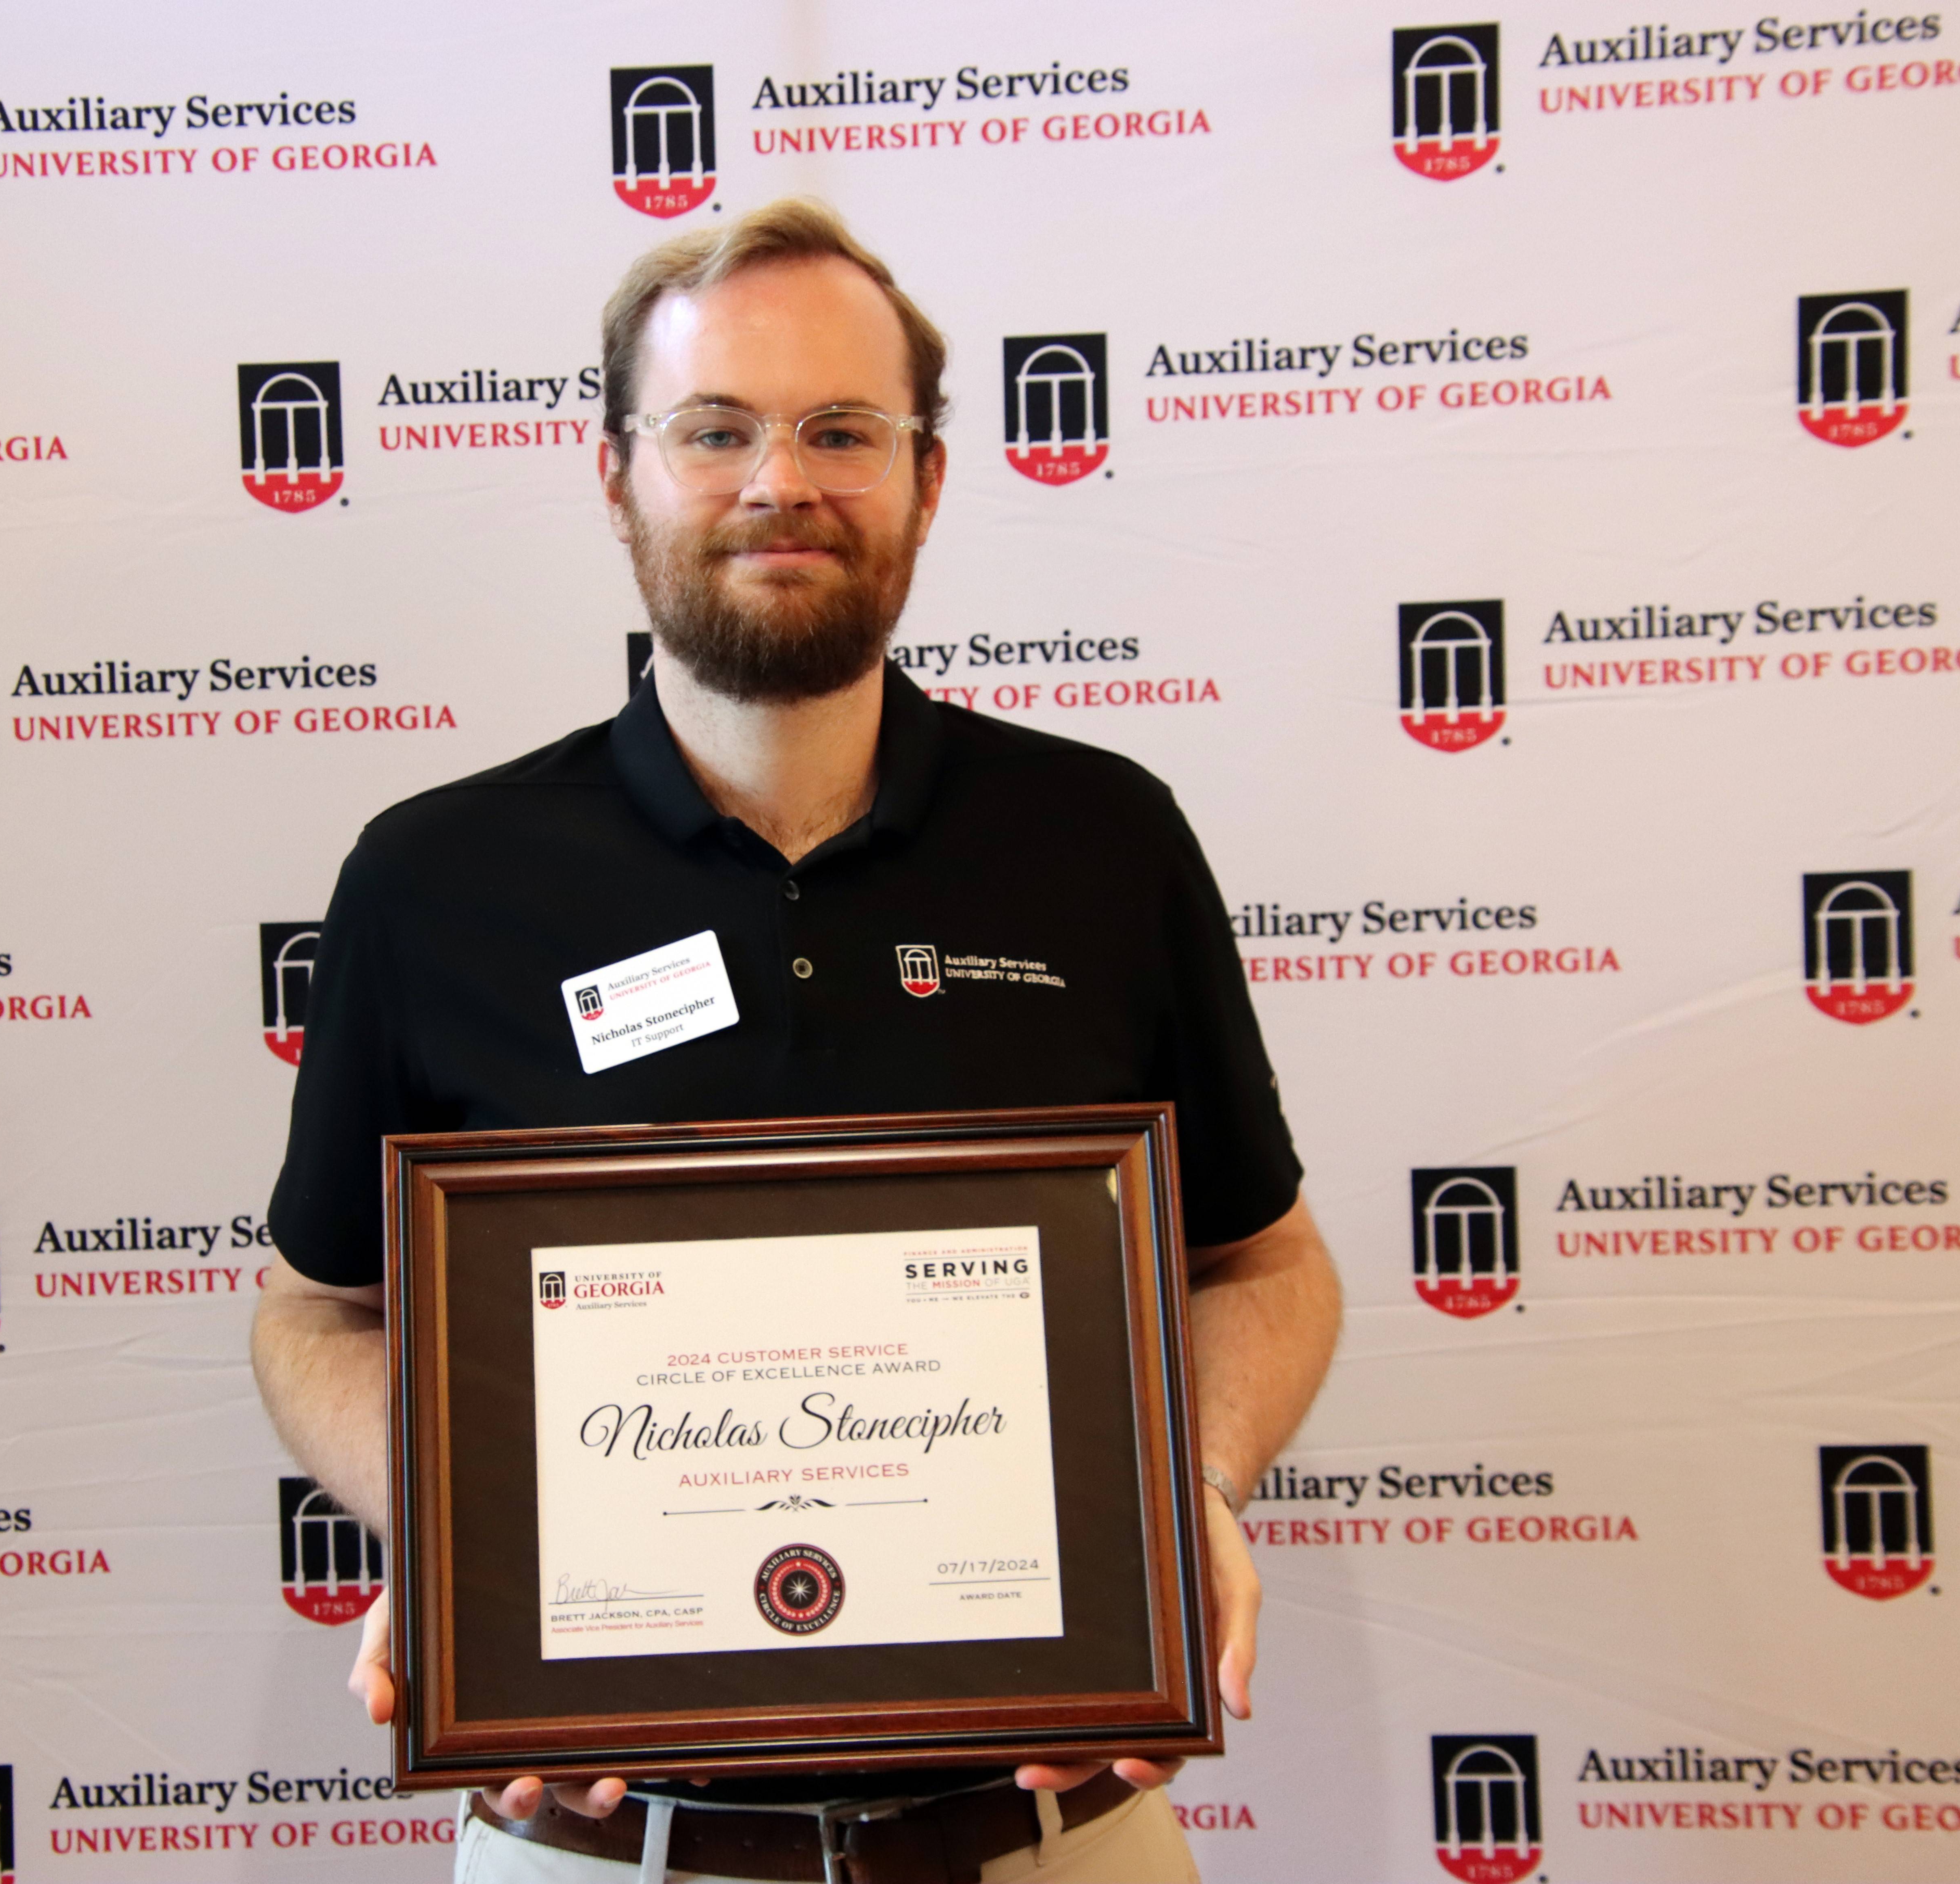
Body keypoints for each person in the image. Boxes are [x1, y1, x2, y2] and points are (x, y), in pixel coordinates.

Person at [255, 199, 1341, 1884]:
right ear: (614, 473)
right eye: (713, 429)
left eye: (844, 428)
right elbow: (314, 1313)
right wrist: (468, 1531)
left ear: (928, 473)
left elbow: (1265, 1267)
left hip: (1054, 1839)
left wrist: (1178, 1482)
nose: (782, 481)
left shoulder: (1101, 836)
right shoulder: (433, 876)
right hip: (604, 1855)